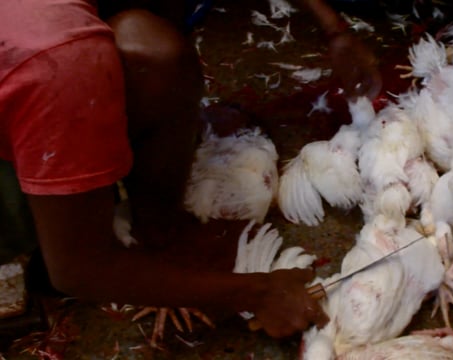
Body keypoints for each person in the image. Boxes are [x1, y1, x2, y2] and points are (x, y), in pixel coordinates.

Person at [0, 0, 382, 339]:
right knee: (63, 239)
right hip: (40, 89)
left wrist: (335, 30)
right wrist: (257, 292)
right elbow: (76, 269)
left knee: (154, 51)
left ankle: (159, 235)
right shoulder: (59, 57)